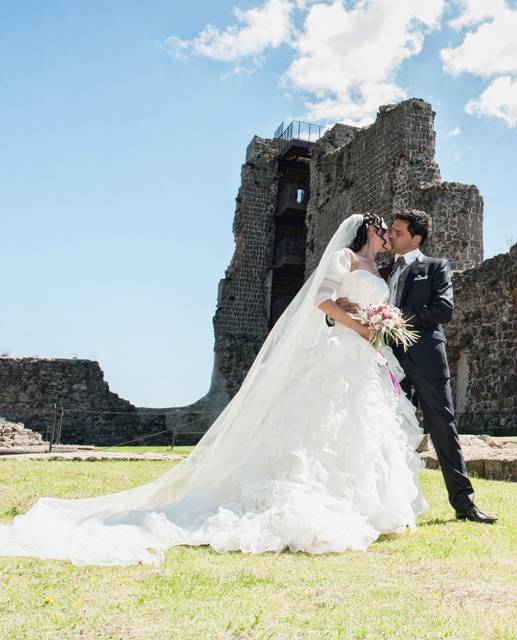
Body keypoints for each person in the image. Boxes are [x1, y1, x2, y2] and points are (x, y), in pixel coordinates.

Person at [0, 213, 433, 566]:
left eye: (391, 233)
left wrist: (376, 327)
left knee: (364, 428)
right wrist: (359, 325)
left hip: (365, 356)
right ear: (368, 231)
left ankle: (367, 507)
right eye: (383, 230)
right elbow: (321, 300)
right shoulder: (343, 257)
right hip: (340, 350)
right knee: (324, 424)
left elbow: (366, 305)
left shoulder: (382, 269)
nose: (387, 236)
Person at [333, 210, 497, 524]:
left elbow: (443, 310)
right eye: (390, 231)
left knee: (442, 426)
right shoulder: (379, 270)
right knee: (381, 428)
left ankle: (465, 504)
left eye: (397, 232)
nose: (389, 236)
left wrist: (392, 315)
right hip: (384, 359)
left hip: (425, 358)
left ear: (415, 238)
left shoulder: (436, 267)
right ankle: (382, 506)